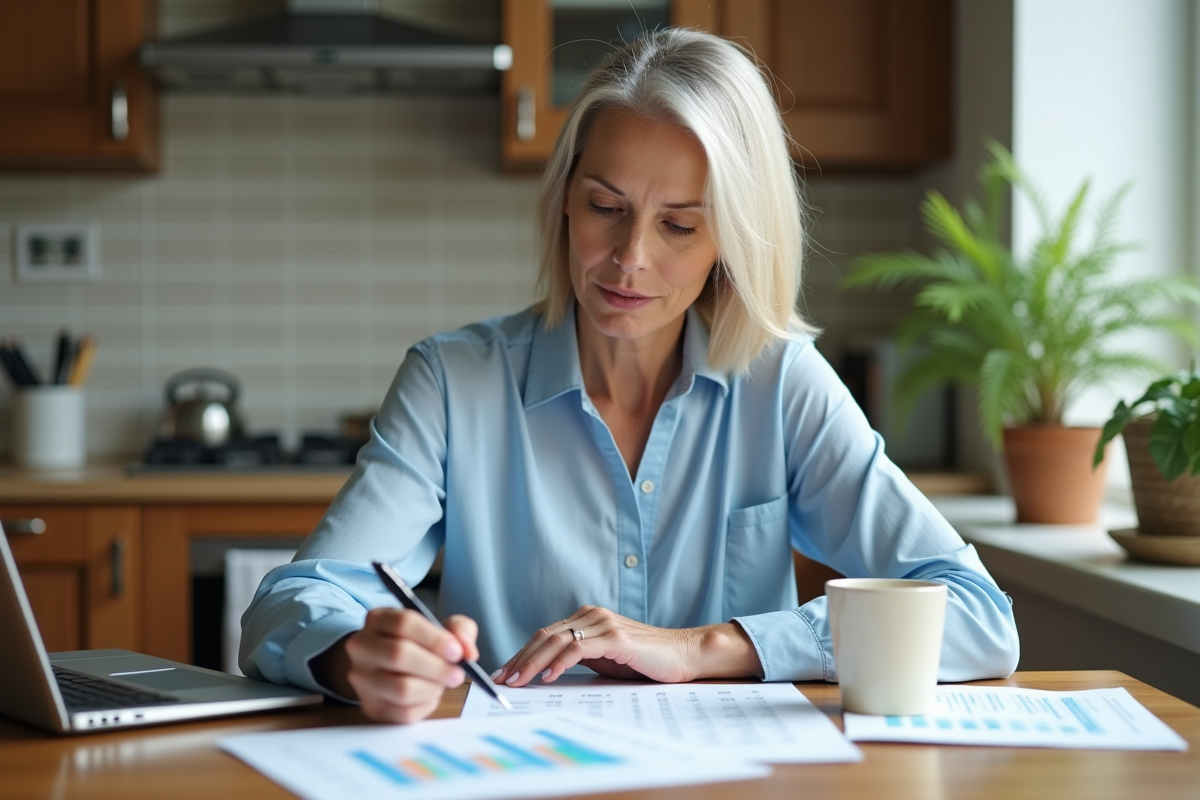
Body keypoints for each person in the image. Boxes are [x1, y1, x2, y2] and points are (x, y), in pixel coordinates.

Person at [240, 28, 1019, 724]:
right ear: (565, 205)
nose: (630, 258)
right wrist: (357, 657)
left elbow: (981, 617)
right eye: (605, 206)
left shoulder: (782, 384)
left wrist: (707, 646)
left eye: (679, 224)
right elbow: (288, 604)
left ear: (734, 238)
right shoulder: (453, 383)